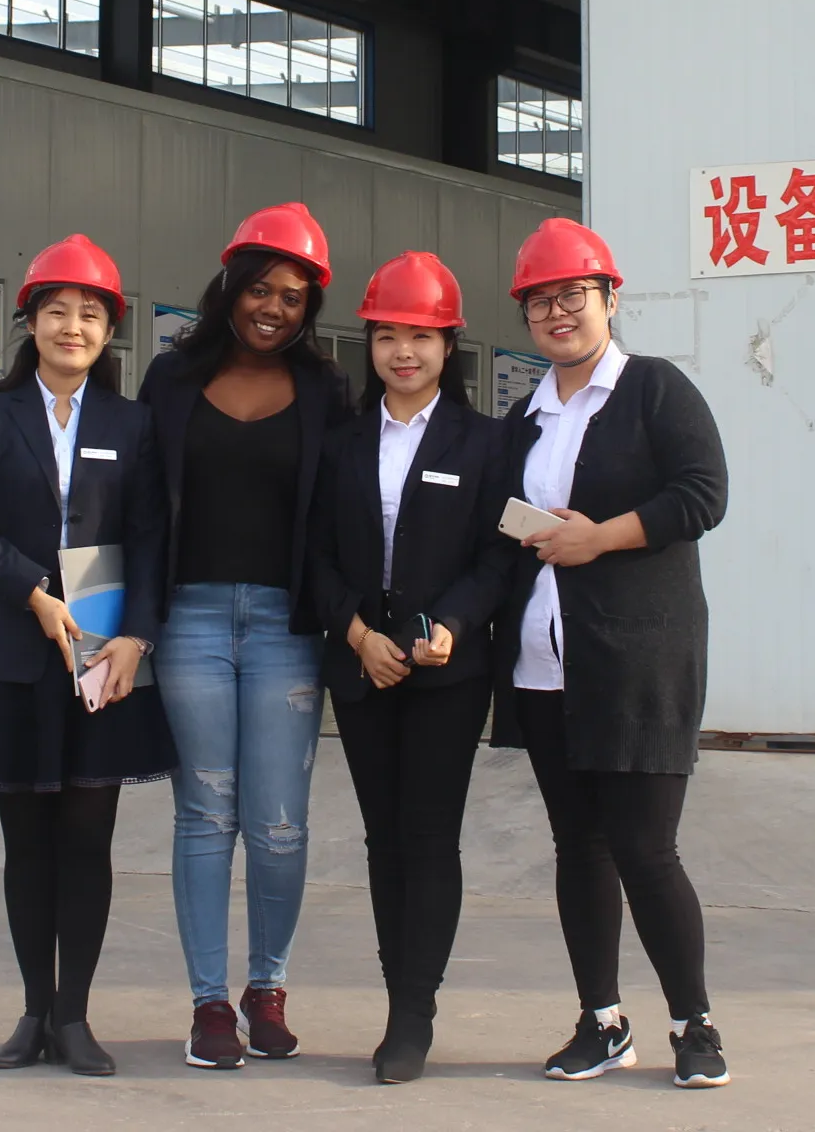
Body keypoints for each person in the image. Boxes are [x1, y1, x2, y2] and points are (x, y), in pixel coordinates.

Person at [490, 217, 733, 1089]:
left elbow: (704, 495)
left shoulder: (654, 390)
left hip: (639, 660)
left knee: (645, 847)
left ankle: (693, 1024)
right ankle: (602, 1021)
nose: (558, 313)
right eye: (540, 301)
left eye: (573, 295)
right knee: (579, 846)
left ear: (609, 299)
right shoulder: (523, 419)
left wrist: (602, 538)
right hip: (544, 666)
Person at [0, 233, 174, 1078]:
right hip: (13, 648)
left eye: (91, 315)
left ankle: (75, 1018)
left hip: (101, 654)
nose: (74, 327)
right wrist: (32, 590)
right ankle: (34, 1010)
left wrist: (134, 638)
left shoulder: (131, 424)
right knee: (27, 841)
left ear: (110, 331)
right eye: (58, 311)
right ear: (30, 322)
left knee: (87, 839)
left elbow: (150, 538)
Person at [139, 202, 353, 1069]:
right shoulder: (170, 380)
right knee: (204, 814)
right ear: (229, 286)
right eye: (261, 289)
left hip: (285, 628)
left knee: (278, 825)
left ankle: (268, 990)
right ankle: (208, 1006)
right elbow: (139, 506)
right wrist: (126, 624)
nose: (274, 308)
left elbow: (344, 518)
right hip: (188, 619)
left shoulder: (326, 392)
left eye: (294, 297)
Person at [306, 251, 516, 1084]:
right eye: (389, 335)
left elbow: (499, 555)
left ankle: (413, 1012)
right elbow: (315, 555)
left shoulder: (485, 442)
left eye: (422, 336)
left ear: (448, 345)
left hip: (445, 675)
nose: (404, 352)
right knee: (382, 838)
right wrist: (357, 634)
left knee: (428, 838)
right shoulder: (343, 443)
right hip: (364, 668)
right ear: (369, 342)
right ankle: (398, 987)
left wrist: (453, 627)